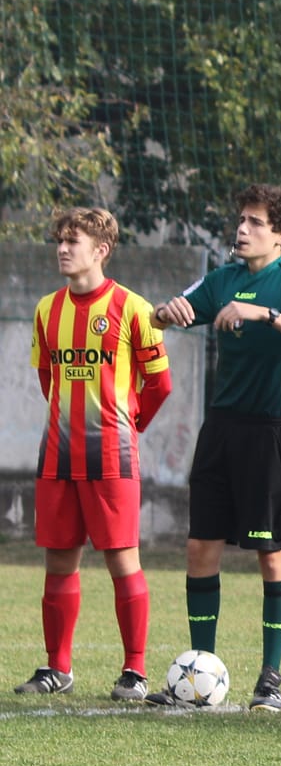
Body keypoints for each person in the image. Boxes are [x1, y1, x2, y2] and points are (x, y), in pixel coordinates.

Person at [148, 184, 281, 709]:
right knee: (199, 547)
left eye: (255, 222)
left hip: (273, 431)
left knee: (270, 552)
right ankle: (196, 676)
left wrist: (265, 315)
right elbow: (163, 316)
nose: (242, 229)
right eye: (241, 219)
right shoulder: (223, 278)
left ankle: (269, 680)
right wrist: (168, 314)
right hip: (221, 429)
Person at [16, 208, 171, 701]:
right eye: (58, 240)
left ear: (100, 250)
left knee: (122, 561)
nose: (62, 249)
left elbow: (160, 384)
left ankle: (135, 671)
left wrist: (130, 425)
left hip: (113, 457)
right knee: (59, 562)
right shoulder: (46, 310)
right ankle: (57, 668)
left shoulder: (134, 309)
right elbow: (48, 379)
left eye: (72, 241)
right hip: (57, 456)